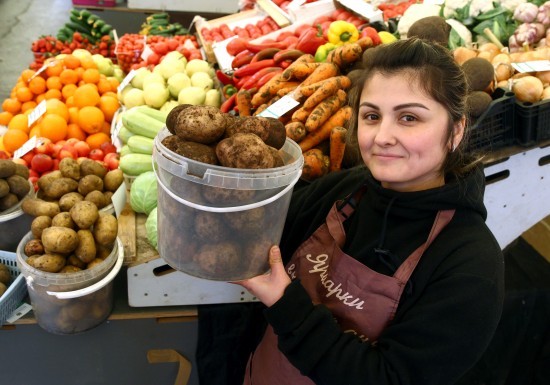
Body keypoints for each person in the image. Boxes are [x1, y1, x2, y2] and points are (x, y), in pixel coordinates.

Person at [197, 37, 505, 385]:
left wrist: (286, 304)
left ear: (456, 130)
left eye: (409, 118)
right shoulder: (345, 190)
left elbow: (389, 378)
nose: (382, 136)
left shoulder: (471, 265)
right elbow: (263, 233)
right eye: (372, 116)